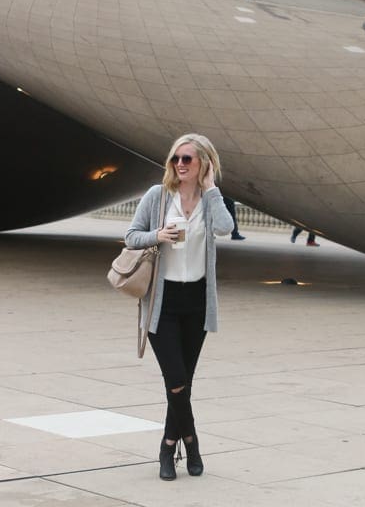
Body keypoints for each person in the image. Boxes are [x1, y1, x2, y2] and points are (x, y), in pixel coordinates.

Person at [125, 134, 234, 481]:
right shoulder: (159, 196)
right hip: (163, 302)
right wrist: (157, 235)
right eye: (176, 159)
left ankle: (170, 444)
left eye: (188, 159)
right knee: (175, 379)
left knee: (184, 381)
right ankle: (187, 442)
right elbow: (131, 236)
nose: (180, 165)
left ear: (204, 163)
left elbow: (226, 228)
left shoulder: (210, 200)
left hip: (197, 303)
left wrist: (212, 189)